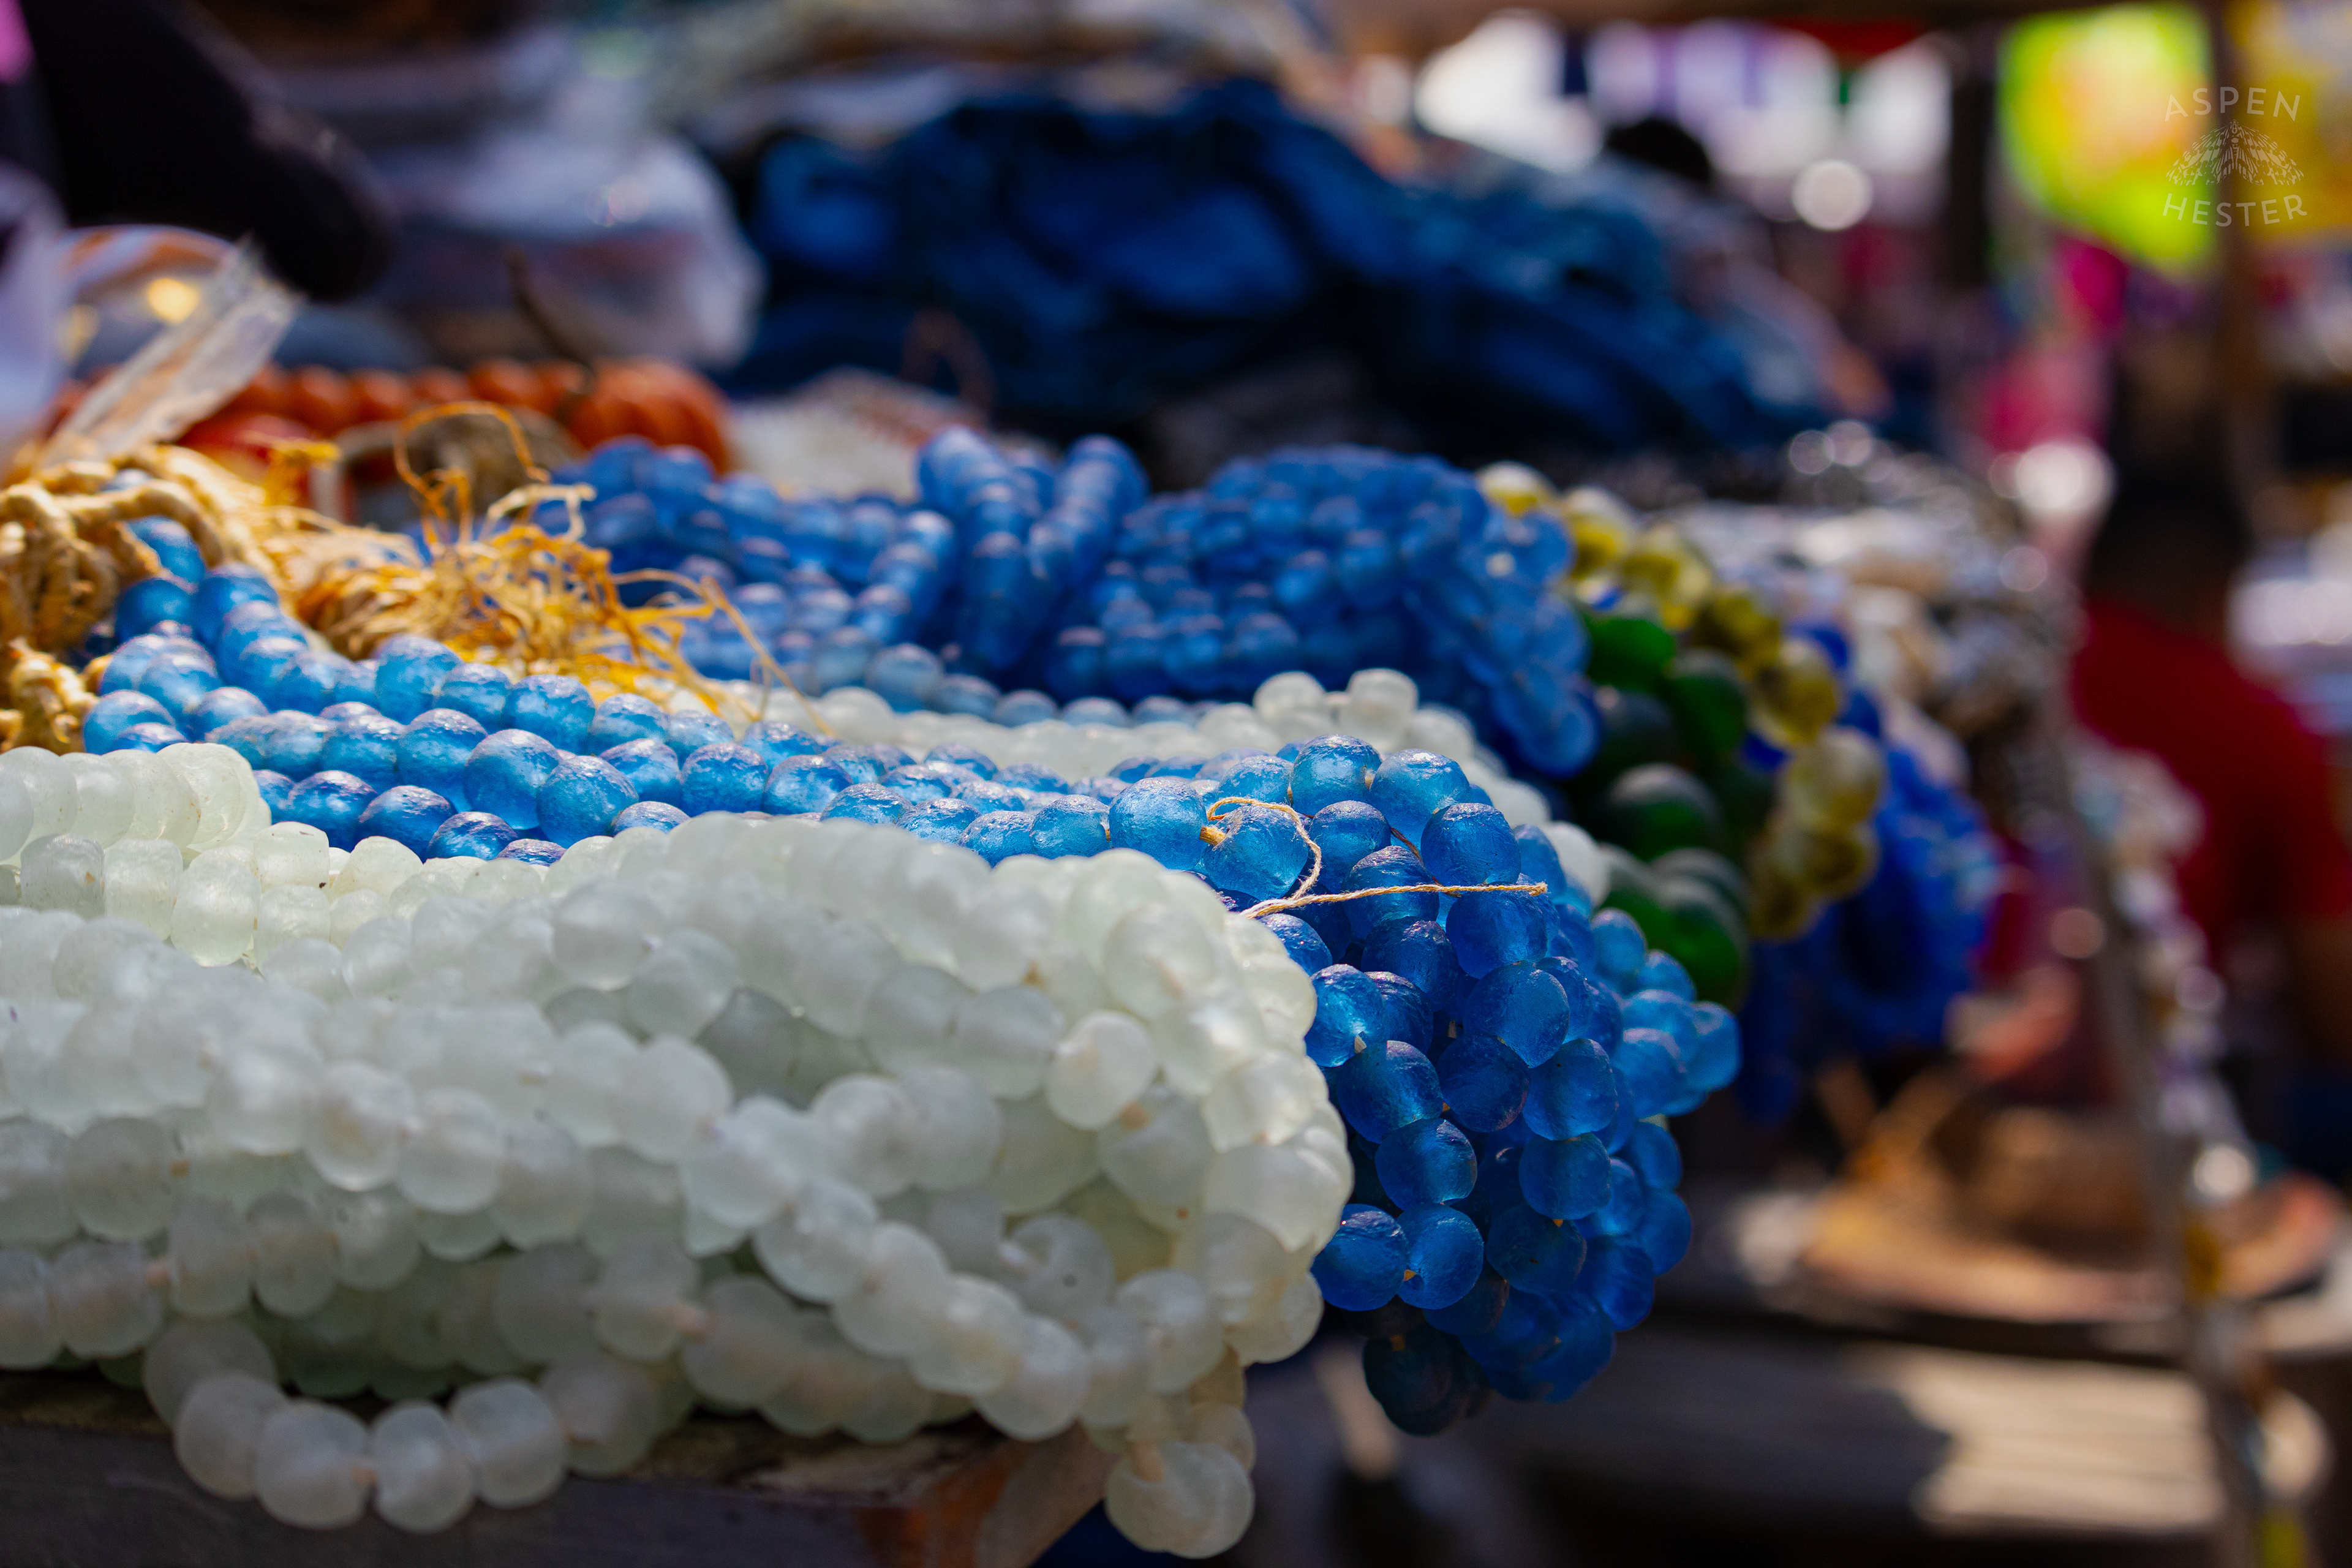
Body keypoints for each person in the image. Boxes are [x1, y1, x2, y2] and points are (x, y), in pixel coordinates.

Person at [2070, 463, 2352, 1072]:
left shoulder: (2010, 683)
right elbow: (2336, 1008)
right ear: (2217, 588)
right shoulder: (2260, 725)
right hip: (2147, 1082)